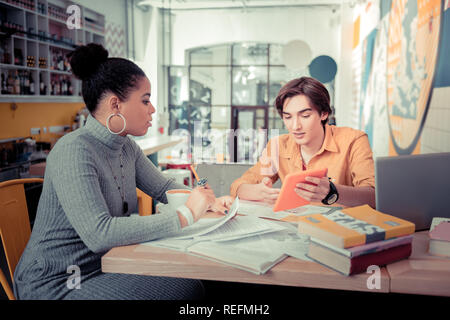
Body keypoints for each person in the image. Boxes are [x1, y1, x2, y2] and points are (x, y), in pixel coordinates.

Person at [13, 43, 231, 300]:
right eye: (146, 100)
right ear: (116, 104)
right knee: (186, 288)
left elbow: (163, 188)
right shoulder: (73, 150)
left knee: (195, 276)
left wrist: (208, 201)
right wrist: (186, 214)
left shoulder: (126, 146)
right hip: (57, 281)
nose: (152, 110)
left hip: (108, 264)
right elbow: (99, 234)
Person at [230, 77, 375, 208]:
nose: (295, 126)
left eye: (305, 116)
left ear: (324, 113)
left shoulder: (353, 140)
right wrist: (257, 192)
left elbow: (373, 196)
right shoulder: (277, 146)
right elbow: (237, 186)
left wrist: (333, 191)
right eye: (288, 117)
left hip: (342, 231)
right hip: (295, 228)